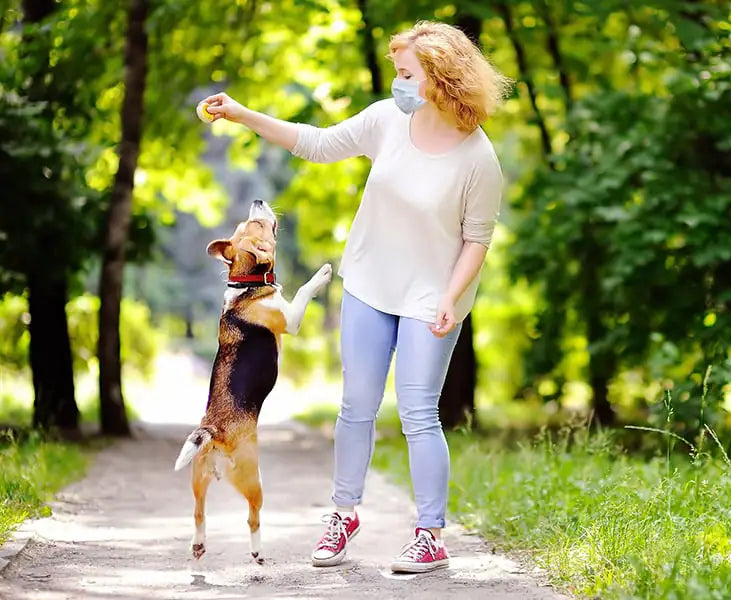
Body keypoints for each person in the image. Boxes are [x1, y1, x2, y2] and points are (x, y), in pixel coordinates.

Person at [200, 20, 510, 573]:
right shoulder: (388, 120)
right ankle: (342, 516)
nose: (399, 83)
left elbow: (476, 241)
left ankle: (430, 534)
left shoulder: (478, 158)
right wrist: (242, 114)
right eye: (397, 72)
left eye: (407, 73)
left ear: (440, 77)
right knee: (355, 407)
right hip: (369, 281)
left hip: (431, 297)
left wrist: (451, 295)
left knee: (418, 413)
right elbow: (316, 144)